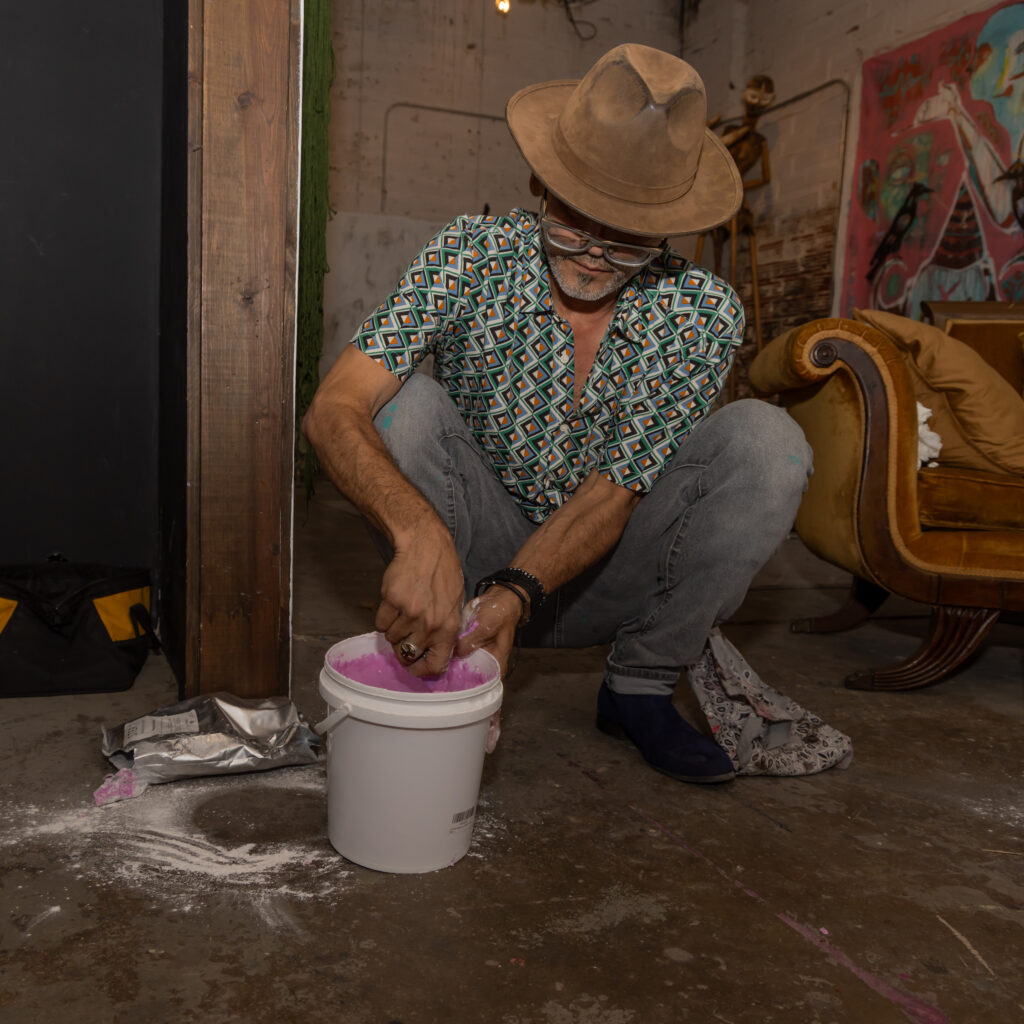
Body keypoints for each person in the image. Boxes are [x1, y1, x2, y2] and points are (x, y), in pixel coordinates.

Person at [303, 44, 813, 785]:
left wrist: (519, 593)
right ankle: (451, 642)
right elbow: (333, 407)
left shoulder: (702, 310)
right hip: (469, 560)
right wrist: (419, 536)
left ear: (672, 225)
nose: (598, 254)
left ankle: (637, 686)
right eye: (576, 219)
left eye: (630, 234)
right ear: (541, 182)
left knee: (772, 444)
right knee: (401, 406)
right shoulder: (470, 254)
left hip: (613, 570)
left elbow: (614, 492)